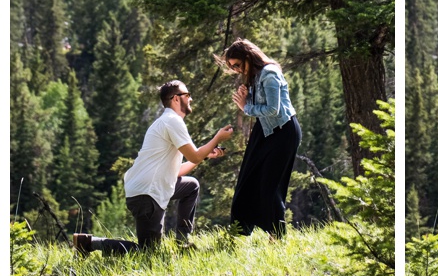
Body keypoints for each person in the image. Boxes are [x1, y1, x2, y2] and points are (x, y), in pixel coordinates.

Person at [73, 80, 233, 255]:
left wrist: (205, 155)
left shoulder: (169, 121)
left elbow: (177, 171)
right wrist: (217, 138)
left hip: (150, 188)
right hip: (146, 194)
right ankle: (88, 243)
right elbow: (194, 155)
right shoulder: (172, 121)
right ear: (175, 99)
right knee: (148, 253)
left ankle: (182, 241)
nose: (191, 99)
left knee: (191, 186)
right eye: (187, 95)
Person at [220, 38, 301, 238]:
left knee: (270, 186)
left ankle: (276, 236)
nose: (236, 70)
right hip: (266, 132)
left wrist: (246, 107)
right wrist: (247, 96)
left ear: (248, 57)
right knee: (248, 180)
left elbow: (274, 109)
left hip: (283, 132)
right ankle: (240, 232)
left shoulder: (270, 73)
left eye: (237, 65)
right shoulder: (256, 76)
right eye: (233, 67)